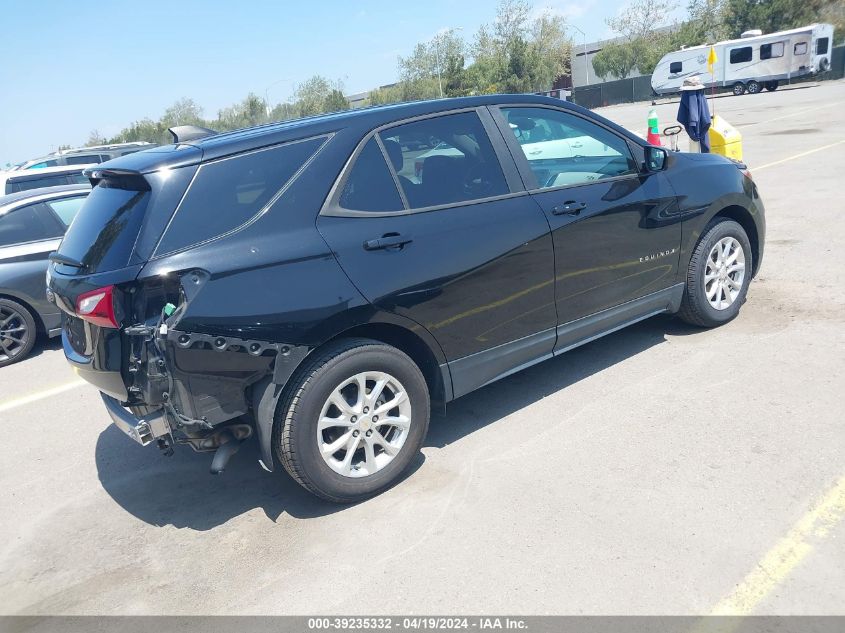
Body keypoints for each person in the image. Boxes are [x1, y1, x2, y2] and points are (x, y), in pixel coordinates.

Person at [677, 76, 711, 153]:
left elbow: (691, 116)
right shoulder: (700, 95)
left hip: (697, 131)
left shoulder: (691, 95)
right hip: (699, 130)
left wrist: (693, 128)